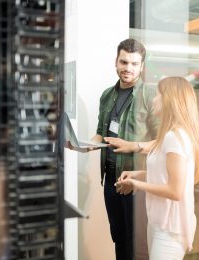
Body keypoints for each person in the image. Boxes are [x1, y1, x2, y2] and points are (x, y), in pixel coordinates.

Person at [66, 38, 159, 260]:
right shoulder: (107, 95)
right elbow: (101, 132)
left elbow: (162, 140)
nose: (128, 68)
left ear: (142, 66)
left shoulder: (150, 96)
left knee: (138, 243)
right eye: (124, 62)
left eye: (134, 64)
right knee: (118, 237)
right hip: (110, 179)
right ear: (116, 62)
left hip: (136, 180)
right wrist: (84, 146)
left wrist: (133, 146)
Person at [115, 77, 199, 260]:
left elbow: (175, 191)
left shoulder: (175, 137)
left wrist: (136, 184)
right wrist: (138, 175)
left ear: (169, 100)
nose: (154, 99)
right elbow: (165, 175)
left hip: (170, 229)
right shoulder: (169, 136)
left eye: (158, 94)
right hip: (158, 222)